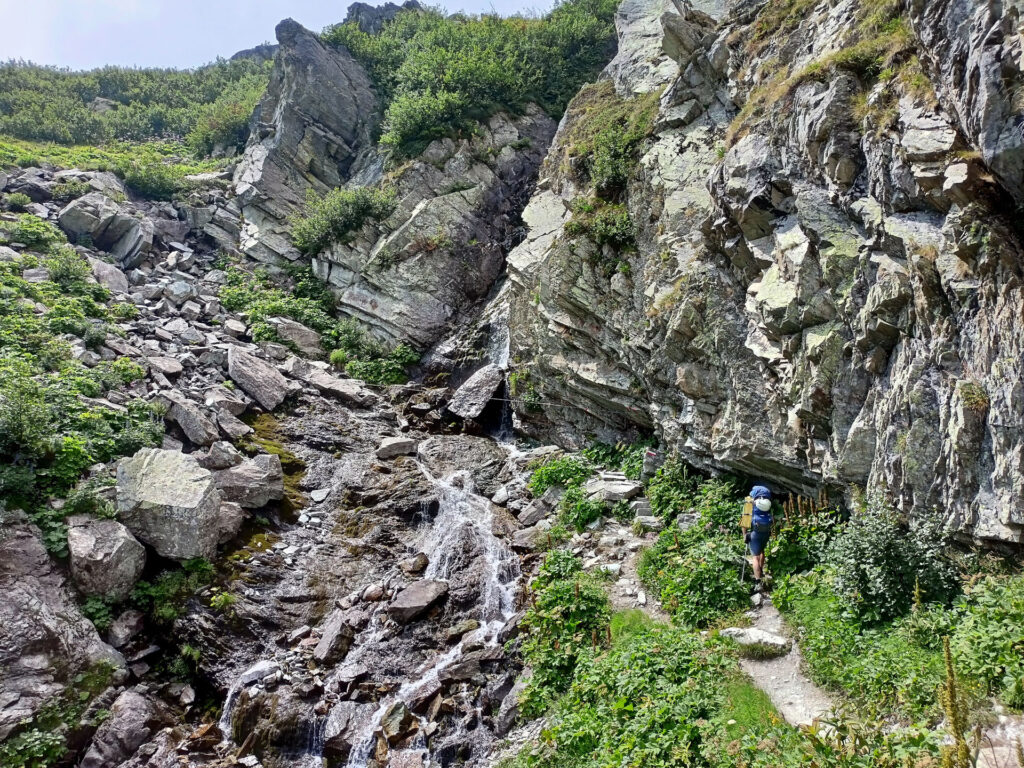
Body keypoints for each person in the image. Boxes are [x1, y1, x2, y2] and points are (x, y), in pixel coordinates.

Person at [745, 485, 773, 590]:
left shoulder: (750, 504)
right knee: (762, 551)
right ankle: (760, 571)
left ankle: (757, 581)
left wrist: (745, 535)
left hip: (755, 533)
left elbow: (745, 521)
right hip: (766, 532)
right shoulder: (768, 505)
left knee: (755, 557)